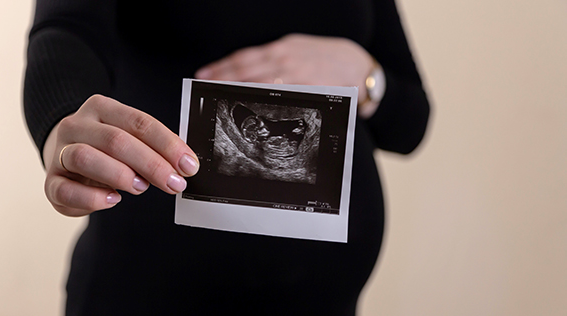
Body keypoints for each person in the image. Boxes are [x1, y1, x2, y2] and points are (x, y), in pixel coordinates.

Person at [23, 0, 430, 315]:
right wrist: (63, 122)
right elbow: (66, 32)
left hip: (326, 301)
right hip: (148, 288)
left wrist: (366, 75)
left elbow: (410, 123)